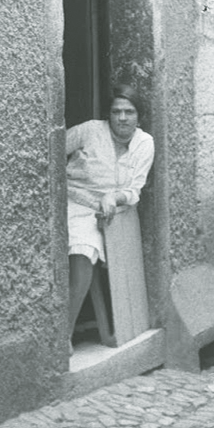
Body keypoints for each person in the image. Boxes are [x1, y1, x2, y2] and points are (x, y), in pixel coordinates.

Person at [65, 84, 155, 342]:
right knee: (83, 253)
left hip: (110, 213)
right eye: (117, 112)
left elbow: (134, 190)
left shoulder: (144, 143)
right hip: (75, 203)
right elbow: (51, 149)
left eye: (129, 112)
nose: (123, 118)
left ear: (139, 117)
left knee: (95, 252)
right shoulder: (90, 130)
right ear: (109, 114)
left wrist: (112, 197)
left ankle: (102, 328)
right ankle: (65, 335)